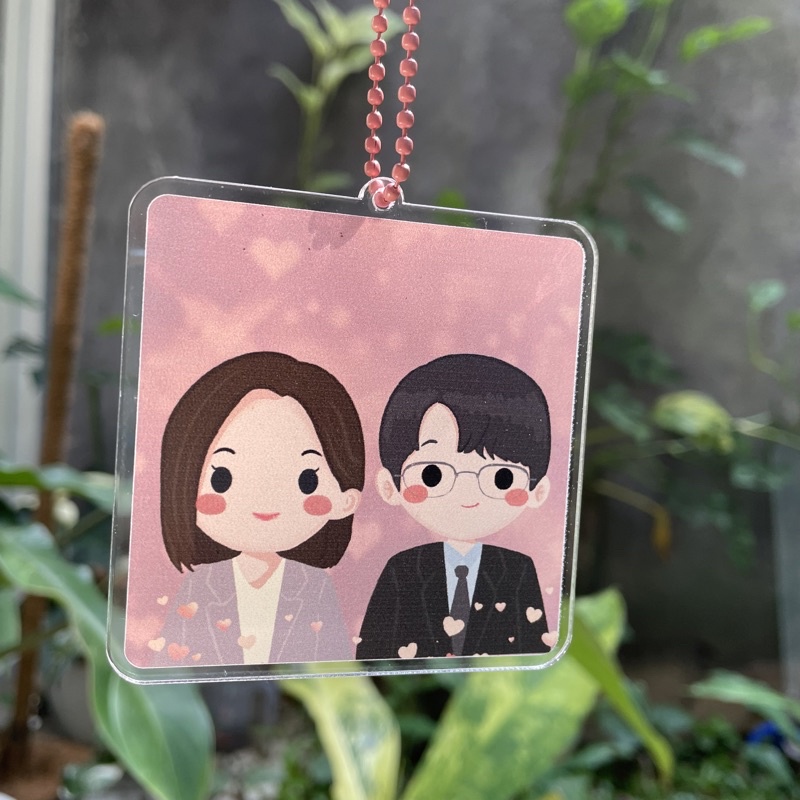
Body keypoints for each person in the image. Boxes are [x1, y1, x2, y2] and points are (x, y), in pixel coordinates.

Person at [153, 351, 364, 666]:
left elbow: (332, 660)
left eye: (307, 480)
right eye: (222, 478)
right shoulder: (200, 586)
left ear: (344, 499)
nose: (265, 498)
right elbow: (171, 662)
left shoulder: (315, 587)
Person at [357, 354, 552, 660]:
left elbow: (533, 648)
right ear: (390, 486)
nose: (467, 491)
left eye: (502, 477)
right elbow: (372, 649)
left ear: (537, 491)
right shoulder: (402, 570)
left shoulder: (517, 570)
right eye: (432, 474)